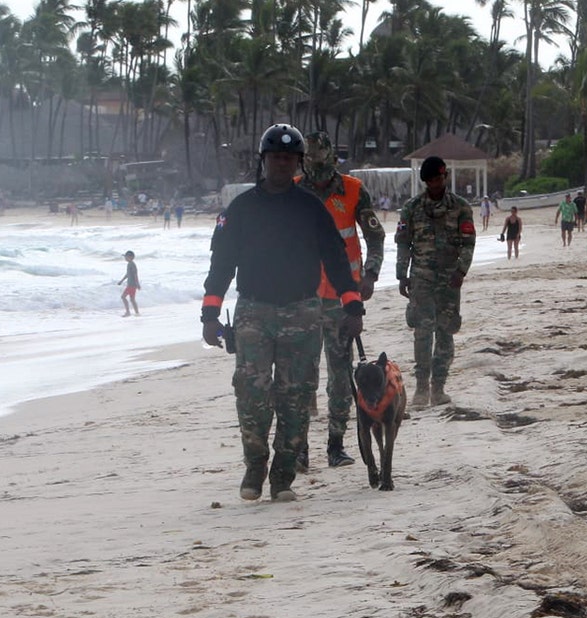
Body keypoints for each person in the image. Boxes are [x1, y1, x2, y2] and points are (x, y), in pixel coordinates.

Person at [201, 123, 364, 503]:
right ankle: (255, 466)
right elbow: (221, 264)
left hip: (303, 313)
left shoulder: (312, 208)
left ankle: (283, 476)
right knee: (251, 393)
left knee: (296, 395)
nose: (280, 164)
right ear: (263, 160)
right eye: (275, 157)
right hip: (253, 312)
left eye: (288, 158)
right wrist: (209, 315)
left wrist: (352, 305)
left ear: (297, 163)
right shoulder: (242, 209)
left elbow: (336, 259)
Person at [296, 131, 386, 472]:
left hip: (341, 297)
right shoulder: (293, 190)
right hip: (300, 297)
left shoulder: (352, 190)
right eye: (311, 166)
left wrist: (371, 275)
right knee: (302, 375)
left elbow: (374, 236)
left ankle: (336, 444)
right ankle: (299, 448)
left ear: (333, 161)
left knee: (339, 375)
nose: (316, 174)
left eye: (321, 165)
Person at [396, 156, 476, 407]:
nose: (436, 184)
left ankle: (438, 388)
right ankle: (421, 388)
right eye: (432, 180)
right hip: (421, 279)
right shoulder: (412, 208)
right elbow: (403, 243)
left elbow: (468, 243)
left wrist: (461, 271)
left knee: (445, 331)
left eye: (440, 178)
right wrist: (402, 274)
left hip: (449, 280)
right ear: (425, 181)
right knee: (422, 332)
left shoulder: (461, 207)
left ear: (445, 177)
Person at [117, 250, 141, 316]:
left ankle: (128, 312)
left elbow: (135, 274)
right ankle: (137, 313)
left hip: (131, 285)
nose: (125, 258)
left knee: (123, 297)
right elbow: (128, 274)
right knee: (132, 299)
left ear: (130, 257)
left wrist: (138, 284)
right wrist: (121, 281)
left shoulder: (132, 264)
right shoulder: (129, 264)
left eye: (126, 257)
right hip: (131, 285)